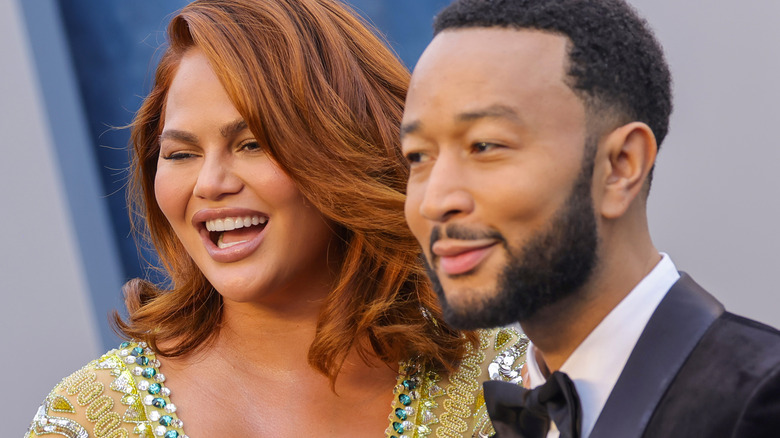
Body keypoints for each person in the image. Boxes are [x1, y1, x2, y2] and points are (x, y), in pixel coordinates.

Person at [24, 1, 528, 437]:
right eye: (180, 154)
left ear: (344, 151)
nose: (210, 184)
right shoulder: (92, 418)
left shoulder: (512, 382)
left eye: (252, 144)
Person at [401, 0, 780, 437]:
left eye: (485, 145)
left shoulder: (758, 405)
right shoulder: (498, 415)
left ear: (620, 166)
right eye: (418, 156)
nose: (435, 200)